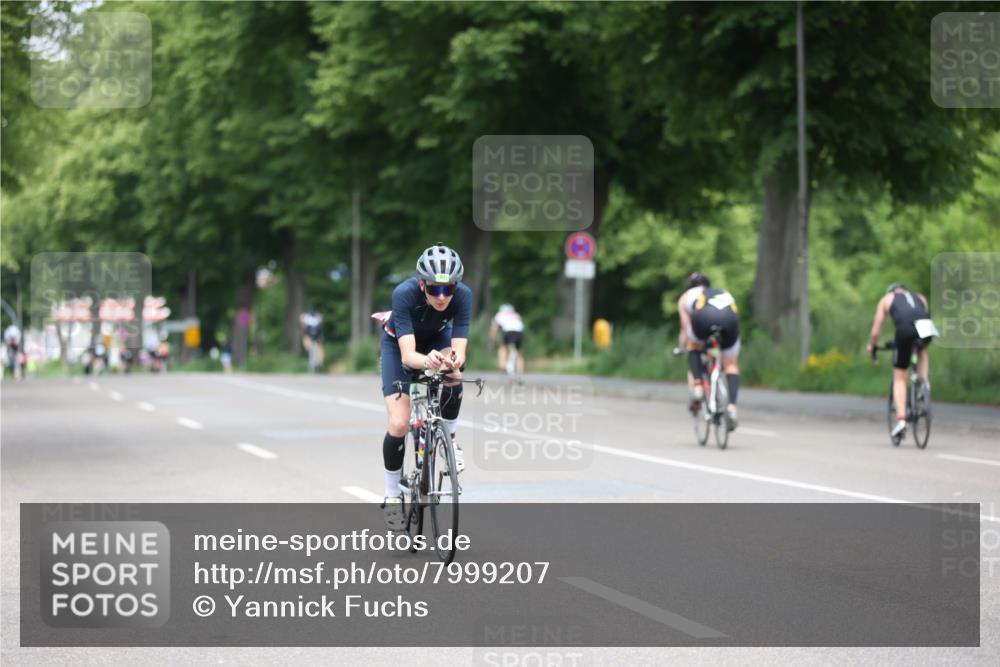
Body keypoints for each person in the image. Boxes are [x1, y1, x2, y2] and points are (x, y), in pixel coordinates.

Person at [378, 242, 471, 530]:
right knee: (399, 422)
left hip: (436, 340)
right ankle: (393, 495)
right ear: (422, 284)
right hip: (399, 345)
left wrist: (453, 360)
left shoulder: (463, 296)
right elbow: (408, 356)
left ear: (456, 286)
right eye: (434, 289)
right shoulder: (404, 294)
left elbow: (460, 351)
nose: (442, 296)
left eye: (448, 289)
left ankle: (449, 440)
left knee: (454, 374)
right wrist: (428, 361)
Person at [867, 283, 933, 440]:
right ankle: (923, 385)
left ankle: (901, 421)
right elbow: (922, 314)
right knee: (921, 350)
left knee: (900, 376)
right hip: (927, 327)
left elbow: (876, 330)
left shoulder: (887, 299)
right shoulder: (920, 297)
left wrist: (873, 345)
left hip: (905, 328)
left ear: (891, 291)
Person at [677, 271, 741, 430]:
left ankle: (698, 385)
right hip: (730, 320)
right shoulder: (722, 292)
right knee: (731, 365)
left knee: (694, 346)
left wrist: (682, 347)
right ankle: (732, 407)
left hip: (704, 318)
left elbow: (685, 328)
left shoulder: (686, 297)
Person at [489, 303, 525, 378]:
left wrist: (492, 341)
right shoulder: (516, 314)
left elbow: (494, 330)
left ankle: (502, 365)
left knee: (503, 348)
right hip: (519, 332)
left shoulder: (499, 315)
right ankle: (520, 373)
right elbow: (521, 325)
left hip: (508, 331)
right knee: (519, 353)